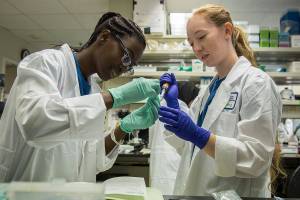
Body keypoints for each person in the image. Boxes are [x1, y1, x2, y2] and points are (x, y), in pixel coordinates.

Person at [0, 12, 160, 182]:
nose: (124, 67)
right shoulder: (45, 64)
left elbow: (92, 160)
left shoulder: (93, 91)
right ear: (104, 37)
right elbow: (35, 123)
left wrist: (123, 128)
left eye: (130, 66)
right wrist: (114, 97)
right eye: (127, 57)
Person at [158, 4, 282, 198]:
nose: (197, 48)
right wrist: (174, 108)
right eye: (191, 43)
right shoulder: (210, 90)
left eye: (201, 37)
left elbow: (255, 158)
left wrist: (199, 136)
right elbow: (188, 147)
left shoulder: (256, 83)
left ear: (227, 30)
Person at [149, 82, 199, 195]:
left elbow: (151, 137)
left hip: (160, 163)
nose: (194, 104)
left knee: (160, 193)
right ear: (188, 96)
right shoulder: (182, 109)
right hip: (176, 163)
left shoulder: (160, 105)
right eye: (194, 100)